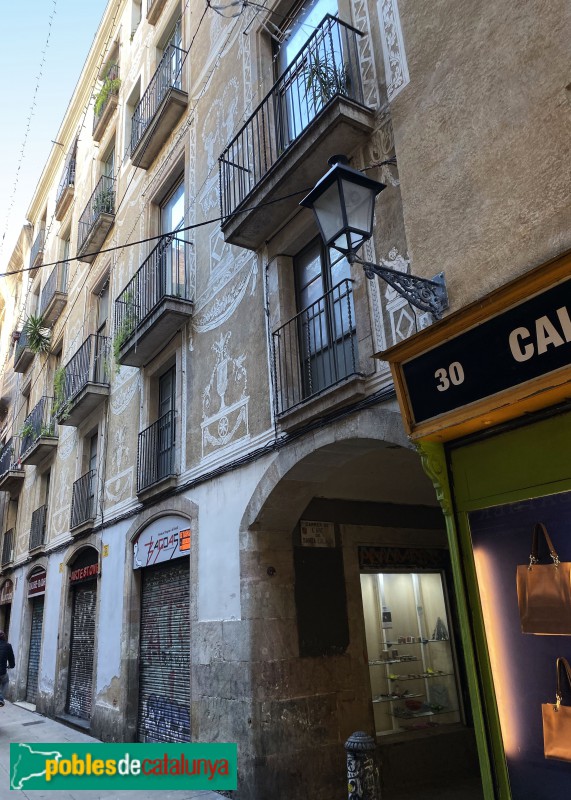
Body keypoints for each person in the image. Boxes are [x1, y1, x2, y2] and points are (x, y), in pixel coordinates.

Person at [0, 630, 15, 707]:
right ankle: (1, 698)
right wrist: (11, 665)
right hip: (2, 671)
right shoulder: (8, 646)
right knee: (5, 682)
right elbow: (11, 658)